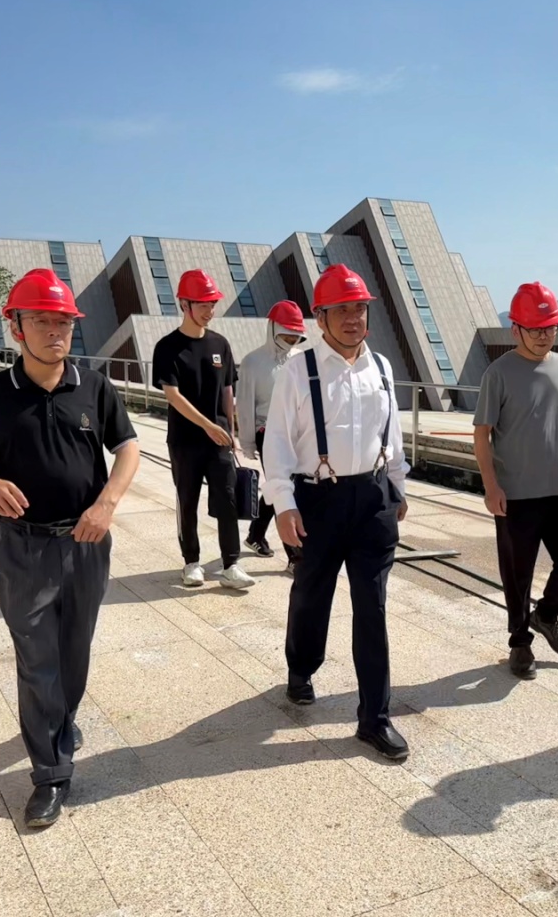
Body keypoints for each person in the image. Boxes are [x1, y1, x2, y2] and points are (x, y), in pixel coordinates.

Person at [0, 268, 140, 827]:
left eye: (64, 322)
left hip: (86, 542)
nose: (56, 332)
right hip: (23, 548)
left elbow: (127, 447)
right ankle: (51, 774)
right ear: (16, 327)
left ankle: (61, 719)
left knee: (74, 650)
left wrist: (106, 504)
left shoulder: (94, 386)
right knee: (36, 659)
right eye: (42, 321)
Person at [263, 264, 411, 760]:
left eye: (359, 308)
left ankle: (375, 718)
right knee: (312, 594)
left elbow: (392, 434)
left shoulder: (382, 367)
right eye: (341, 309)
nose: (353, 318)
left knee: (373, 607)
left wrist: (398, 487)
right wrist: (283, 504)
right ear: (320, 317)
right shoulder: (297, 370)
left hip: (373, 499)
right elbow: (277, 442)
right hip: (317, 501)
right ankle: (301, 666)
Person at [474, 282, 558, 680]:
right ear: (516, 329)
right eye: (535, 328)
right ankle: (520, 642)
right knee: (517, 573)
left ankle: (547, 614)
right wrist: (491, 486)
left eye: (550, 327)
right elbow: (482, 433)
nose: (544, 335)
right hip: (516, 494)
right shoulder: (498, 373)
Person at [152, 269, 255, 590]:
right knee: (187, 501)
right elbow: (172, 395)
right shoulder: (167, 347)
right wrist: (207, 425)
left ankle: (231, 564)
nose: (210, 311)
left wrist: (231, 432)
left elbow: (227, 390)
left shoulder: (220, 344)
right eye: (203, 304)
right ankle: (191, 563)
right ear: (184, 304)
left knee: (228, 500)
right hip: (184, 440)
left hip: (219, 440)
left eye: (212, 304)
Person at [236, 300, 307, 567]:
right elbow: (244, 405)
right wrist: (247, 442)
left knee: (282, 487)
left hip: (297, 433)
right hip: (267, 432)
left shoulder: (300, 359)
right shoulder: (252, 362)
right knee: (285, 489)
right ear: (273, 329)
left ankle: (255, 534)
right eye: (286, 335)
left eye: (295, 336)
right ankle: (296, 558)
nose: (291, 341)